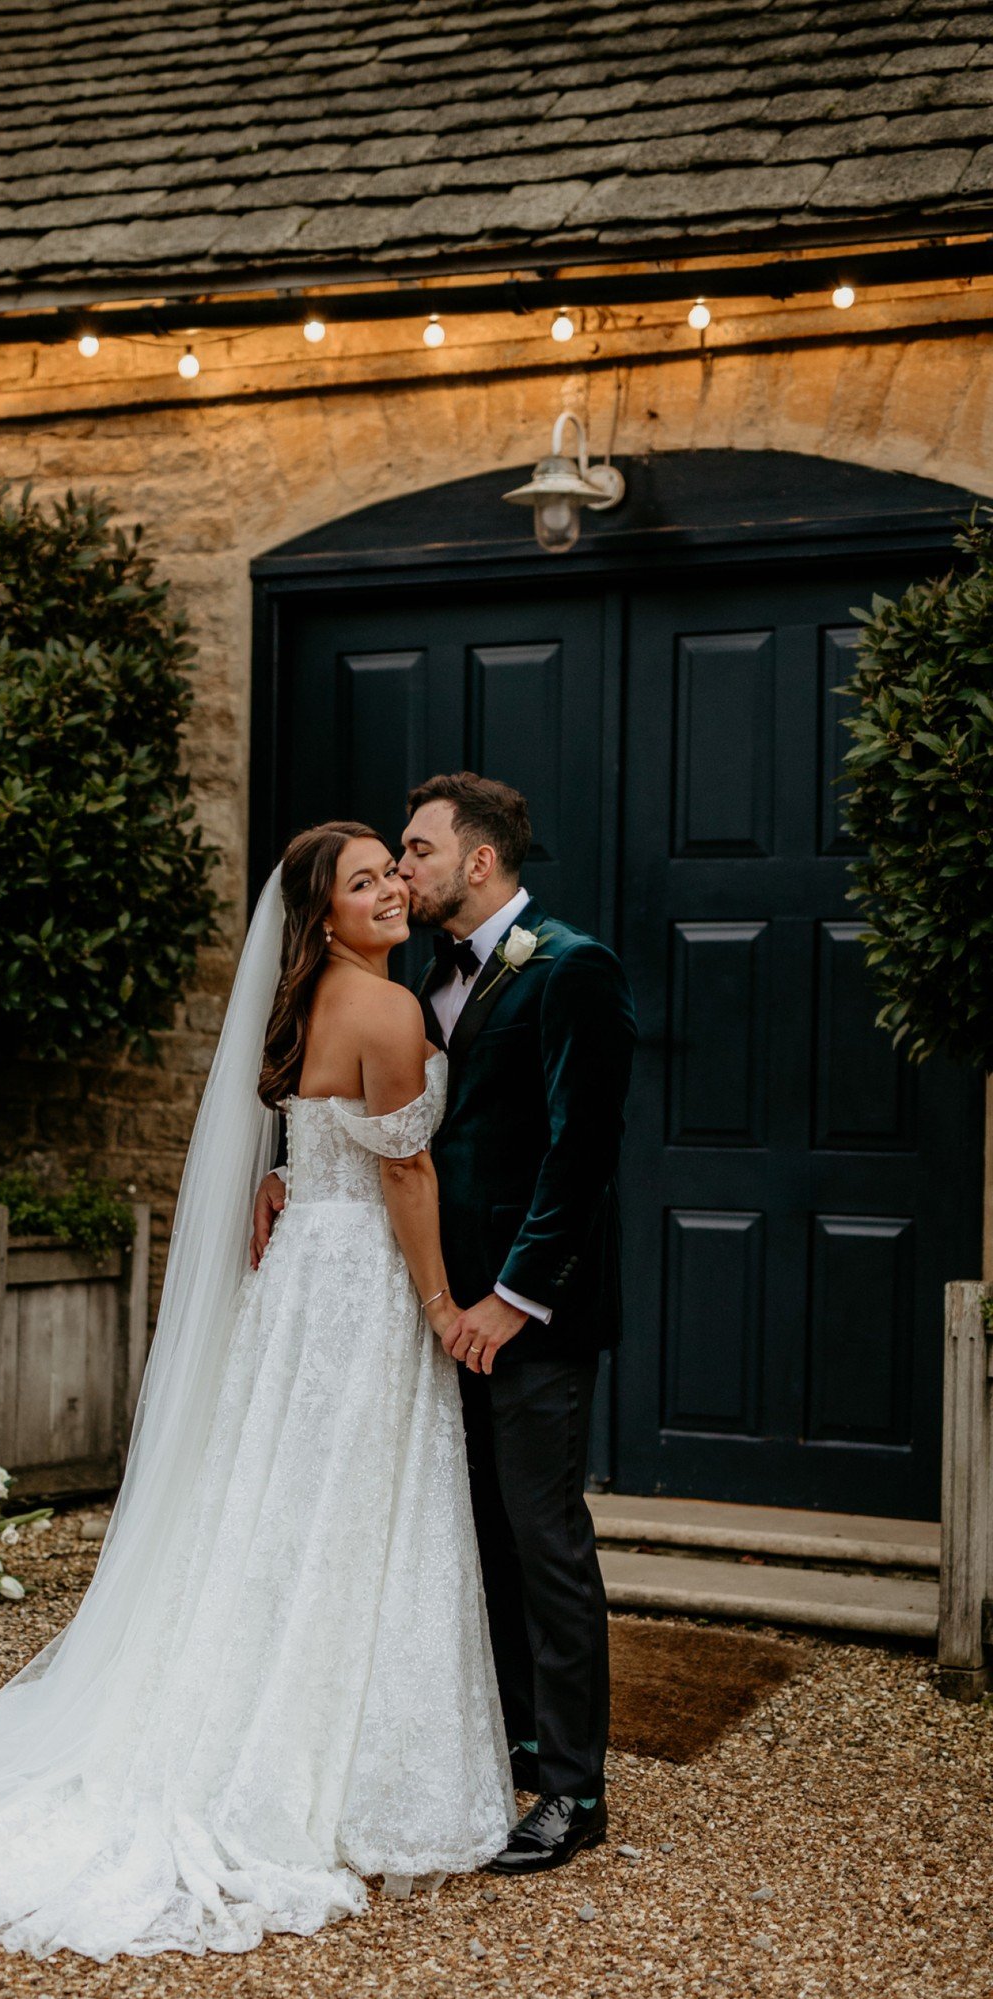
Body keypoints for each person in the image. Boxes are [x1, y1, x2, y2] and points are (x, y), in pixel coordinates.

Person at [0, 822, 513, 1960]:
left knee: (275, 1503)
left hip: (300, 1272)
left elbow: (326, 1139)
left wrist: (282, 1182)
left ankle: (258, 1712)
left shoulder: (310, 1005)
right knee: (354, 1509)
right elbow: (404, 1169)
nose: (389, 893)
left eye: (389, 874)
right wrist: (440, 1304)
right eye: (363, 884)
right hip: (358, 1281)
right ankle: (338, 1765)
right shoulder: (391, 1009)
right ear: (322, 917)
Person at [257, 774, 637, 1873]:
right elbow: (383, 1131)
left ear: (477, 862)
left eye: (414, 852)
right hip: (432, 1316)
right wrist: (291, 1176)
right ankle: (515, 1735)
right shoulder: (428, 977)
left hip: (525, 1316)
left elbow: (582, 1155)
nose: (401, 872)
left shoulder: (572, 968)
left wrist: (510, 1300)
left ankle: (574, 1789)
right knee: (474, 1534)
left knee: (544, 1535)